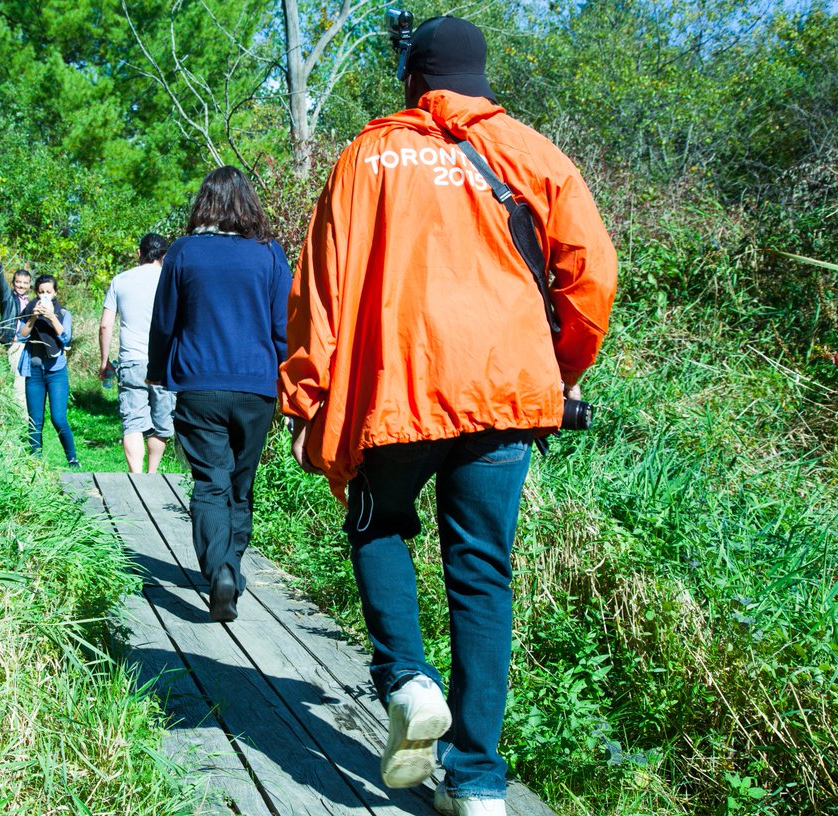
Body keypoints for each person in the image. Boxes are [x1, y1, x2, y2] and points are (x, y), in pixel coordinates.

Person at [278, 16, 617, 816]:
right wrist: (554, 370)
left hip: (397, 390)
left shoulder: (368, 156)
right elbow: (592, 275)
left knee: (376, 523)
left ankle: (406, 679)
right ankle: (476, 784)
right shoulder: (534, 153)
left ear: (411, 77)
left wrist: (307, 395)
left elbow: (319, 289)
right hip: (505, 394)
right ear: (481, 77)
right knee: (482, 577)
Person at [148, 166, 292, 623]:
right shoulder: (269, 254)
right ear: (248, 203)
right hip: (256, 387)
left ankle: (220, 571)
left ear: (203, 204)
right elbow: (284, 328)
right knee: (240, 486)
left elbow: (165, 320)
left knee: (210, 483)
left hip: (199, 384)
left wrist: (158, 370)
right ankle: (230, 566)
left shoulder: (183, 253)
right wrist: (291, 385)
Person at [99, 233, 176, 473]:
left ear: (139, 253)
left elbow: (105, 325)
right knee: (161, 422)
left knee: (132, 422)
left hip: (132, 361)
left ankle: (137, 476)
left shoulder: (121, 280)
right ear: (164, 255)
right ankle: (152, 474)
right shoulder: (171, 281)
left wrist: (104, 362)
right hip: (163, 361)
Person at [18, 273, 79, 467]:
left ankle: (72, 459)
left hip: (56, 372)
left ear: (55, 293)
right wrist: (34, 317)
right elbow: (21, 336)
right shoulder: (30, 311)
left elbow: (66, 338)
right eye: (41, 292)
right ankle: (34, 461)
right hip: (34, 371)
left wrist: (51, 316)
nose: (45, 295)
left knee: (58, 418)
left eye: (48, 292)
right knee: (35, 420)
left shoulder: (63, 313)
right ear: (36, 293)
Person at [0, 250, 31, 410]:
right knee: (18, 384)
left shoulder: (32, 302)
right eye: (18, 282)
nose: (21, 285)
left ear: (29, 285)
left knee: (28, 383)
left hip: (29, 347)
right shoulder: (8, 298)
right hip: (15, 344)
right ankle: (21, 420)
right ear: (13, 283)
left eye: (25, 283)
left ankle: (28, 416)